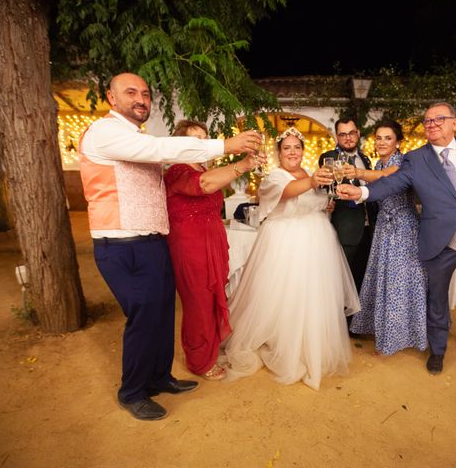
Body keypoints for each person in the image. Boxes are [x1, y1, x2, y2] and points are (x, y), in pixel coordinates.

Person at [78, 72, 260, 420]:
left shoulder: (136, 137)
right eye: (130, 92)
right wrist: (226, 146)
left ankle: (160, 377)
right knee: (143, 319)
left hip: (153, 240)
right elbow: (163, 150)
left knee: (162, 315)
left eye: (145, 94)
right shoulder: (105, 132)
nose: (141, 99)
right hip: (121, 243)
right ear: (111, 99)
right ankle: (132, 392)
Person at [338, 102, 456, 374]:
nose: (432, 124)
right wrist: (363, 193)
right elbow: (391, 182)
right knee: (436, 299)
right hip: (439, 241)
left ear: (455, 123)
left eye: (439, 119)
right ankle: (437, 351)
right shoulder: (416, 159)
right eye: (427, 121)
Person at [223, 127, 360, 390]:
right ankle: (280, 339)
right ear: (279, 153)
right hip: (285, 241)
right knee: (284, 293)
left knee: (313, 295)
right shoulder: (275, 176)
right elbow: (286, 193)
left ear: (302, 151)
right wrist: (312, 184)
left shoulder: (310, 174)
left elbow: (316, 199)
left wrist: (325, 202)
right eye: (287, 148)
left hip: (318, 240)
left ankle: (311, 343)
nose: (293, 152)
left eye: (297, 147)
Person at [164, 119, 263, 381]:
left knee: (212, 296)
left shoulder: (205, 168)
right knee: (197, 301)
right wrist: (241, 165)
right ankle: (198, 360)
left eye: (205, 138)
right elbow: (203, 185)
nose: (203, 143)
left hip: (213, 242)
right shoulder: (176, 171)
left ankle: (208, 348)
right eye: (195, 139)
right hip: (190, 246)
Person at [346, 119, 428, 355]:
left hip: (403, 228)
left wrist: (358, 173)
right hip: (384, 226)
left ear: (398, 142)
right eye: (378, 138)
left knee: (402, 283)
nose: (382, 142)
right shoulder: (378, 164)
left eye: (388, 138)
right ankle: (385, 331)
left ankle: (404, 335)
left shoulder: (402, 163)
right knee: (385, 281)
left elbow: (388, 178)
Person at [318, 117, 376, 292]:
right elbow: (324, 189)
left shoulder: (365, 159)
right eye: (343, 134)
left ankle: (359, 319)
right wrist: (328, 202)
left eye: (351, 133)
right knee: (344, 282)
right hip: (346, 229)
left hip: (368, 228)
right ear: (337, 137)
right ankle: (344, 319)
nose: (348, 138)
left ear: (357, 133)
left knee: (362, 280)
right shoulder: (330, 158)